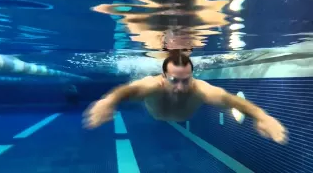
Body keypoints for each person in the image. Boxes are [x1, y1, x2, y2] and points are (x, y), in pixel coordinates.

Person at [83, 51, 288, 145]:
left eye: (186, 79)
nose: (181, 87)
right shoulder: (152, 84)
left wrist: (262, 116)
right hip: (156, 111)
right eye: (174, 80)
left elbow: (233, 101)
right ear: (163, 77)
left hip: (175, 115)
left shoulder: (201, 89)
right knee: (138, 86)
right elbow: (125, 91)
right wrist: (108, 101)